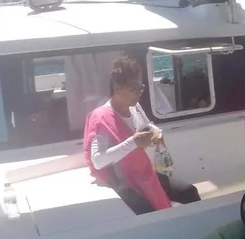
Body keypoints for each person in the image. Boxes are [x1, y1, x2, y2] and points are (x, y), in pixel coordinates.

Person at [83, 55, 201, 214]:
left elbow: (147, 125)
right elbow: (98, 160)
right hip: (122, 183)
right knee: (148, 211)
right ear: (117, 88)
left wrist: (156, 133)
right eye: (133, 89)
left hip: (142, 173)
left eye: (141, 88)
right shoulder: (101, 118)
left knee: (189, 192)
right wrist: (133, 142)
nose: (138, 93)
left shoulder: (135, 107)